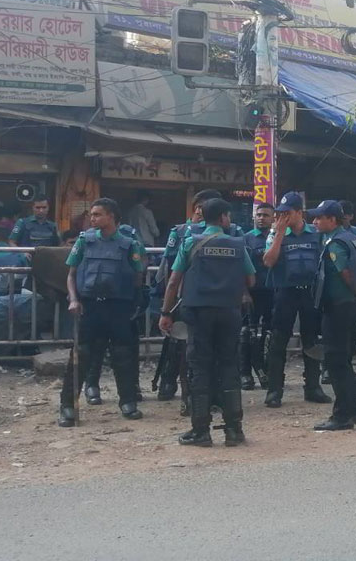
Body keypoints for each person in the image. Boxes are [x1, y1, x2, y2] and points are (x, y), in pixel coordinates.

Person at [160, 198, 254, 447]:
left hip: (199, 314)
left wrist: (166, 312)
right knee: (229, 366)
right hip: (229, 312)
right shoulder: (238, 244)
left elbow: (173, 280)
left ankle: (200, 431)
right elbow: (251, 280)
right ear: (224, 217)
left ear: (203, 217)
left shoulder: (191, 242)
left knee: (198, 368)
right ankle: (234, 430)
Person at [58, 198, 146, 427]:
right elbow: (71, 274)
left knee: (123, 356)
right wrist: (74, 299)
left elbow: (138, 276)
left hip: (118, 307)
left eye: (97, 214)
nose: (92, 218)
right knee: (81, 355)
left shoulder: (129, 244)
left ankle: (127, 401)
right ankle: (67, 405)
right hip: (90, 306)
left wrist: (133, 302)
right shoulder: (84, 241)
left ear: (112, 217)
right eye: (92, 214)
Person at [151, 189, 226, 406]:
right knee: (180, 346)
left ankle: (211, 394)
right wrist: (169, 301)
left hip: (215, 297)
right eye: (200, 207)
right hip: (184, 297)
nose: (202, 212)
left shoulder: (228, 231)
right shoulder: (182, 232)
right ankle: (176, 387)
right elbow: (168, 269)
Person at [262, 192, 331, 408]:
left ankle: (312, 387)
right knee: (278, 341)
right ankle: (275, 390)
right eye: (279, 213)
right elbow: (268, 261)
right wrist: (280, 233)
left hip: (310, 293)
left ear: (299, 212)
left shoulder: (316, 234)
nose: (282, 217)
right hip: (285, 292)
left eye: (287, 213)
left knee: (311, 340)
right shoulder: (276, 233)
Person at [306, 201, 356, 431]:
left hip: (338, 305)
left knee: (335, 361)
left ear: (332, 220)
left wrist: (355, 292)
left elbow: (346, 274)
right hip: (350, 305)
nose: (315, 222)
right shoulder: (352, 237)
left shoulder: (335, 244)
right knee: (344, 359)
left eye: (319, 218)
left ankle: (342, 416)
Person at [241, 202, 276, 390]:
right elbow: (240, 270)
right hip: (252, 294)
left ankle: (267, 370)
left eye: (266, 215)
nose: (261, 218)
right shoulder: (246, 239)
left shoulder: (279, 237)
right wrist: (244, 293)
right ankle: (245, 373)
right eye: (259, 215)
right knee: (247, 334)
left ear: (273, 218)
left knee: (270, 334)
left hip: (273, 293)